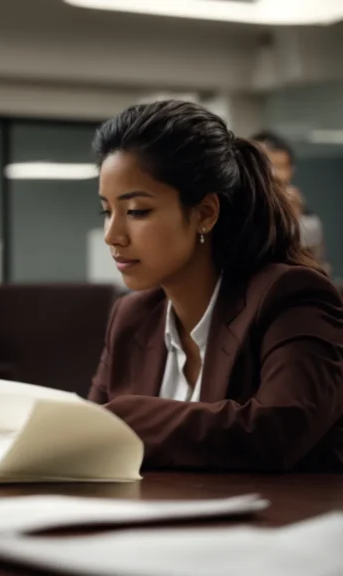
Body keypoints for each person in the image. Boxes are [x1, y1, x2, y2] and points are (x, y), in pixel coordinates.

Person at [88, 100, 343, 472]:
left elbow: (277, 431)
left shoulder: (290, 295)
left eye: (137, 211)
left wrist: (127, 418)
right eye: (107, 211)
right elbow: (91, 437)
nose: (113, 235)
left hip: (276, 509)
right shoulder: (131, 316)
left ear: (205, 213)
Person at [252, 130, 330, 274]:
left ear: (291, 171)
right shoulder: (235, 210)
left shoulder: (308, 219)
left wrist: (294, 219)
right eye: (264, 165)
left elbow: (317, 267)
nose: (273, 174)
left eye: (279, 166)